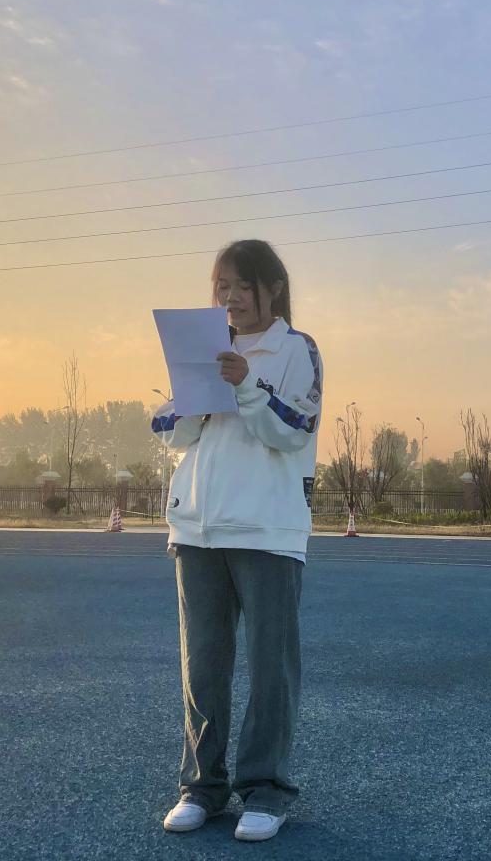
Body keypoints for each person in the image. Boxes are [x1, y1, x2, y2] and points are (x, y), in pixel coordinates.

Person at [152, 239, 323, 843]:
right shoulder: (205, 349)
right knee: (203, 665)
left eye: (242, 285)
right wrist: (195, 394)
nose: (231, 297)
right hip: (197, 525)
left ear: (272, 287)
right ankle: (202, 787)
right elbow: (169, 431)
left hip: (267, 529)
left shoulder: (296, 349)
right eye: (222, 286)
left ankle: (265, 790)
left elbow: (295, 430)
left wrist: (247, 384)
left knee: (271, 666)